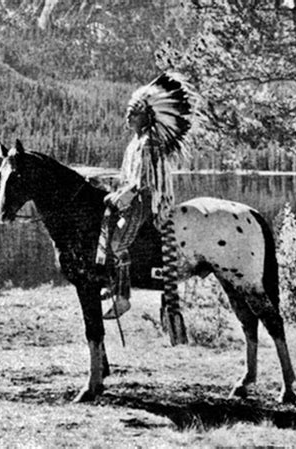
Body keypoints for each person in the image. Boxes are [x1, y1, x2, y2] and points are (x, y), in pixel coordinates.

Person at [95, 72, 198, 319]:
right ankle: (112, 283)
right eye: (129, 112)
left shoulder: (149, 142)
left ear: (146, 116)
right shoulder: (136, 141)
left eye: (133, 113)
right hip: (135, 199)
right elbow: (128, 177)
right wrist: (114, 191)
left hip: (146, 203)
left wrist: (123, 196)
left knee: (118, 243)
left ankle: (123, 298)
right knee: (106, 229)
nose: (128, 117)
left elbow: (145, 183)